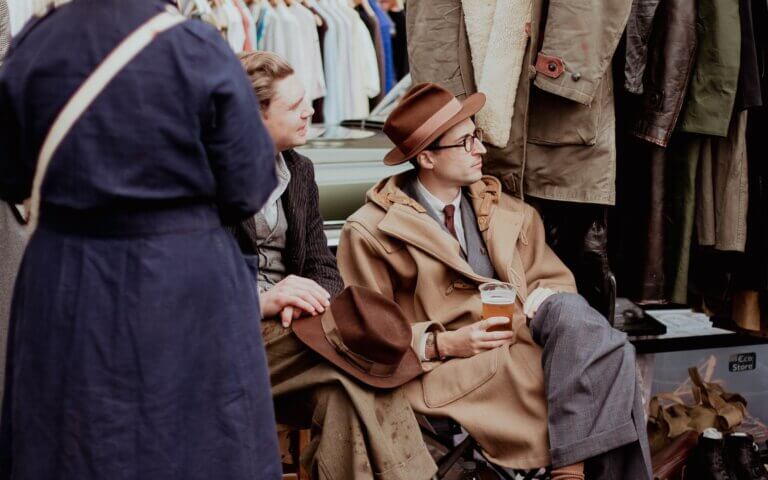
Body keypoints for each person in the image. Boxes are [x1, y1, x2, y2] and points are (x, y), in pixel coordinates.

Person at [0, 1, 282, 478]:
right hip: (183, 281)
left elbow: (8, 174)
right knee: (197, 443)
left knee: (71, 441)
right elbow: (251, 184)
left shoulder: (34, 46)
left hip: (66, 276)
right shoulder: (195, 46)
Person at [337, 83, 653, 480]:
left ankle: (570, 472)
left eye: (477, 137)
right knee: (610, 360)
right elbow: (366, 336)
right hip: (453, 367)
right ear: (428, 157)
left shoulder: (507, 211)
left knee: (592, 334)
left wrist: (544, 297)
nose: (481, 150)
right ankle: (575, 468)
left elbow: (553, 278)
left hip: (525, 341)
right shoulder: (370, 232)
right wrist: (441, 342)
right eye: (466, 142)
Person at [230, 51, 437, 480]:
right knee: (364, 359)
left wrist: (308, 299)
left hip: (292, 333)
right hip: (229, 339)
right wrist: (266, 300)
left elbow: (323, 266)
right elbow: (192, 286)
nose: (309, 111)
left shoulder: (298, 171)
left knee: (343, 390)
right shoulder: (209, 180)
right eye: (294, 106)